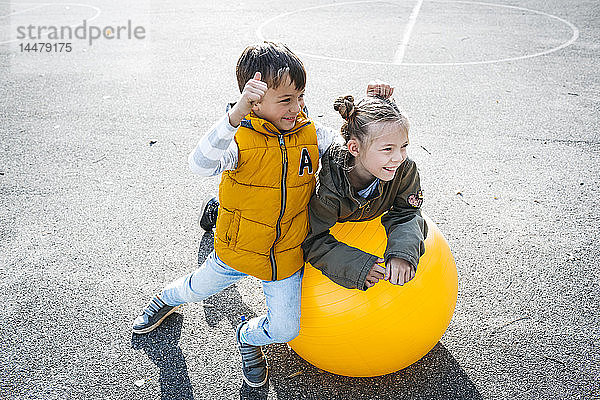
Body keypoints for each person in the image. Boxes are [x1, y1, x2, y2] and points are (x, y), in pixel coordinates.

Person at [132, 41, 337, 388]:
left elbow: (354, 147)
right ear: (254, 100)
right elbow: (200, 164)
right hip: (238, 249)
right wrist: (234, 115)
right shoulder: (239, 140)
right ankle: (166, 298)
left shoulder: (311, 133)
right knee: (196, 290)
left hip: (286, 253)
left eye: (300, 96)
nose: (296, 107)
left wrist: (377, 106)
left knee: (287, 327)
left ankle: (248, 336)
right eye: (286, 100)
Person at [302, 94, 428, 290]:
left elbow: (408, 211)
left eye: (403, 147)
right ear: (354, 148)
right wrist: (357, 266)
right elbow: (311, 238)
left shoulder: (404, 170)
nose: (398, 157)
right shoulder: (329, 188)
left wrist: (403, 252)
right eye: (388, 149)